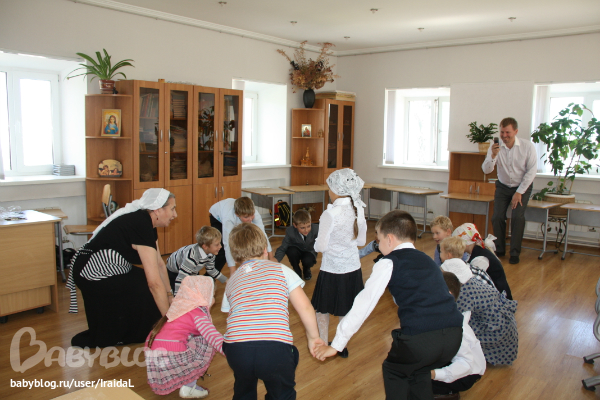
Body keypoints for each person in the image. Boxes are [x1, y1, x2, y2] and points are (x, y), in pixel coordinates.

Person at [315, 210, 463, 400]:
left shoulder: (389, 262)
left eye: (379, 239)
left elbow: (364, 303)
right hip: (453, 336)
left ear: (390, 239)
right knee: (418, 372)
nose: (378, 244)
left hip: (421, 338)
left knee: (394, 370)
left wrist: (337, 345)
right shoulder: (426, 259)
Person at [221, 223, 325, 399]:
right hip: (274, 350)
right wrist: (314, 337)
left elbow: (230, 314)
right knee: (282, 393)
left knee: (243, 390)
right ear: (264, 249)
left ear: (235, 256)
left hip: (237, 350)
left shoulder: (232, 281)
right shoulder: (280, 269)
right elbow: (305, 307)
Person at [67, 188, 177, 348]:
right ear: (157, 210)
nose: (175, 215)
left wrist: (169, 295)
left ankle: (146, 328)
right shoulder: (140, 224)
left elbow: (159, 264)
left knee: (163, 282)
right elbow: (154, 283)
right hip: (92, 272)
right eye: (172, 209)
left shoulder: (147, 222)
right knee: (147, 287)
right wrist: (170, 321)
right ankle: (141, 330)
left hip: (112, 268)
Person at [311, 168, 367, 357]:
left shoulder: (330, 214)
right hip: (352, 267)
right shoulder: (358, 208)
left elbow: (320, 246)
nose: (328, 191)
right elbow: (361, 241)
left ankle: (322, 342)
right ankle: (340, 345)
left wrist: (316, 243)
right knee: (346, 308)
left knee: (322, 309)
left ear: (336, 190)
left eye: (330, 187)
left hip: (331, 268)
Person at [440, 237, 519, 366]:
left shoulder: (462, 292)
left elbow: (458, 322)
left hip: (497, 332)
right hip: (500, 323)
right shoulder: (469, 276)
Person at [145, 276, 224, 399]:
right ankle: (189, 387)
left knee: (194, 337)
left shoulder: (178, 308)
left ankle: (181, 377)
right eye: (212, 295)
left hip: (152, 354)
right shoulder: (197, 314)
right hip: (171, 353)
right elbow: (213, 337)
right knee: (205, 341)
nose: (213, 299)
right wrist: (231, 350)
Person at [482, 117, 537, 264]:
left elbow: (531, 171)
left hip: (522, 186)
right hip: (503, 186)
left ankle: (515, 253)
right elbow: (486, 170)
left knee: (517, 217)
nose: (504, 136)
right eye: (502, 132)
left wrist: (519, 192)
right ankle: (500, 249)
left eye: (508, 132)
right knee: (497, 217)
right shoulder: (495, 146)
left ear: (516, 132)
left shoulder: (527, 146)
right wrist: (493, 156)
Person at [432, 271, 486, 400]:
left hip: (468, 372)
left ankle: (449, 393)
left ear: (448, 295)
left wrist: (434, 374)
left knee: (418, 382)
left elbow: (465, 364)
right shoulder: (438, 316)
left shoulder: (455, 328)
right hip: (455, 359)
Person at [209, 197, 274, 276]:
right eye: (246, 217)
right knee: (221, 250)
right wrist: (232, 270)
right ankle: (210, 276)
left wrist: (271, 257)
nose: (250, 219)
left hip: (233, 213)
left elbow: (263, 234)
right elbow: (227, 244)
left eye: (251, 215)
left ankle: (248, 268)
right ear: (237, 214)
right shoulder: (228, 218)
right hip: (217, 217)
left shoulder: (253, 213)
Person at [453, 223, 513, 300]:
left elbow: (470, 282)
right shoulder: (475, 252)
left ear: (466, 243)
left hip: (498, 301)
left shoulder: (480, 259)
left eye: (456, 243)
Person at [166, 226, 227, 296]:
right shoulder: (192, 257)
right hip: (174, 272)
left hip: (192, 270)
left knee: (193, 291)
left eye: (220, 243)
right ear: (205, 246)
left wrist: (226, 280)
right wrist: (177, 298)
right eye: (217, 245)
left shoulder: (211, 253)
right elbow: (180, 278)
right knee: (179, 293)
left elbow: (211, 269)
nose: (220, 246)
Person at [275, 209, 319, 280]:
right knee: (290, 251)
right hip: (296, 250)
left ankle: (306, 269)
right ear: (295, 225)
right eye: (302, 228)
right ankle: (297, 270)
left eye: (308, 226)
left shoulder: (316, 229)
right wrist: (275, 261)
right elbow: (283, 247)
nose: (306, 230)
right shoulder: (290, 231)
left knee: (308, 260)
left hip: (309, 251)